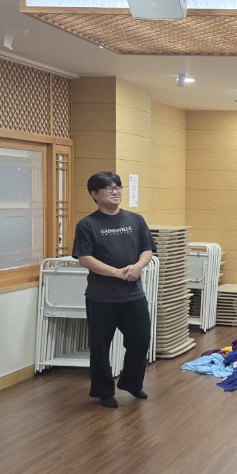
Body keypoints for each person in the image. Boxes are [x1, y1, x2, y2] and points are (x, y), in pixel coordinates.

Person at [72, 171, 156, 408]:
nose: (115, 191)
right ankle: (104, 391)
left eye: (118, 187)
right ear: (94, 194)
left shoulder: (135, 220)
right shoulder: (87, 224)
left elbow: (147, 250)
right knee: (100, 347)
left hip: (133, 295)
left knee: (141, 339)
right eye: (109, 188)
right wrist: (117, 273)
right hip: (101, 297)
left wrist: (138, 266)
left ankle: (131, 382)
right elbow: (85, 258)